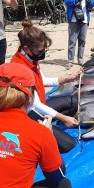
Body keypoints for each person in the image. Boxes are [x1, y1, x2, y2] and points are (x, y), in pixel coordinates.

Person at [11, 18, 81, 153]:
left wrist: (68, 79)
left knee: (73, 101)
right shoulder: (19, 67)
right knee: (69, 144)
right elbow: (34, 105)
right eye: (40, 51)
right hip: (28, 112)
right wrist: (63, 118)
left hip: (38, 105)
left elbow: (43, 81)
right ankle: (36, 132)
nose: (42, 54)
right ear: (26, 48)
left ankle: (52, 121)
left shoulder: (30, 58)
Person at [62, 0, 94, 69]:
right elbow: (67, 2)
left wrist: (89, 0)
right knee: (72, 41)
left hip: (84, 20)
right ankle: (70, 60)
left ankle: (80, 59)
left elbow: (92, 5)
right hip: (73, 20)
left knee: (82, 41)